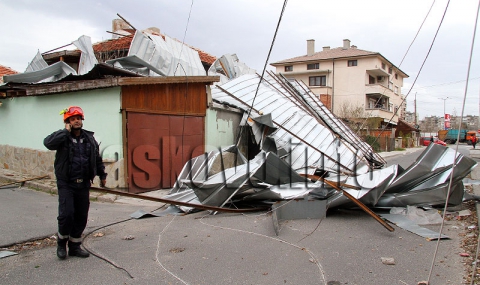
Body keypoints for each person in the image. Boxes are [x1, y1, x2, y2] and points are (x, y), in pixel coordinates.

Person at [44, 106, 107, 260]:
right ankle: (61, 244)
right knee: (67, 215)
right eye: (73, 119)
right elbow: (48, 143)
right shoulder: (62, 137)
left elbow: (96, 159)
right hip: (67, 183)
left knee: (81, 216)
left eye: (78, 118)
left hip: (83, 183)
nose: (76, 121)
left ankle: (74, 246)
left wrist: (102, 174)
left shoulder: (90, 139)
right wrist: (65, 131)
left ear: (82, 120)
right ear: (68, 122)